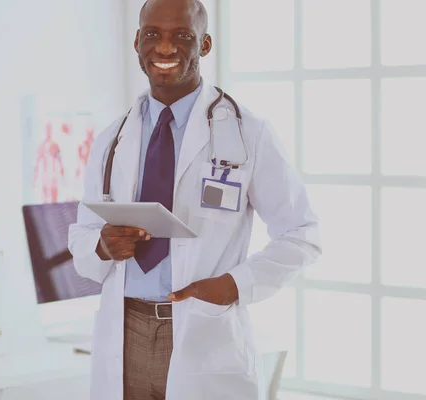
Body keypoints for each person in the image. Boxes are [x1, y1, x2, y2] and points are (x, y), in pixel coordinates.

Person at [68, 0, 321, 399]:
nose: (164, 48)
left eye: (182, 36)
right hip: (125, 330)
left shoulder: (248, 133)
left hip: (202, 330)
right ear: (137, 41)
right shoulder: (112, 140)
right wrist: (101, 246)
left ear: (204, 45)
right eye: (152, 34)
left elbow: (303, 234)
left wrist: (235, 285)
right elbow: (82, 232)